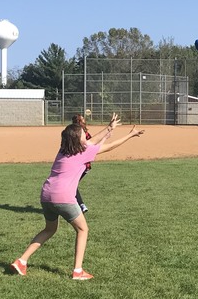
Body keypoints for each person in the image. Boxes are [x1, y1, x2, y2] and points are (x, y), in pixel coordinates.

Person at [10, 114, 144, 281]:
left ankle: (21, 261)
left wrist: (109, 128)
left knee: (49, 229)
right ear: (78, 139)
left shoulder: (63, 151)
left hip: (46, 195)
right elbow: (109, 146)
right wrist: (130, 135)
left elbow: (92, 141)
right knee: (82, 229)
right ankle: (78, 271)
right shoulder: (84, 153)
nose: (85, 136)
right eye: (82, 134)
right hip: (63, 197)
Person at [73, 113, 92, 213]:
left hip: (80, 165)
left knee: (72, 185)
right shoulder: (84, 132)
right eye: (82, 119)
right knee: (72, 185)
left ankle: (81, 205)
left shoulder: (74, 133)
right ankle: (80, 205)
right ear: (79, 122)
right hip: (85, 165)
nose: (84, 120)